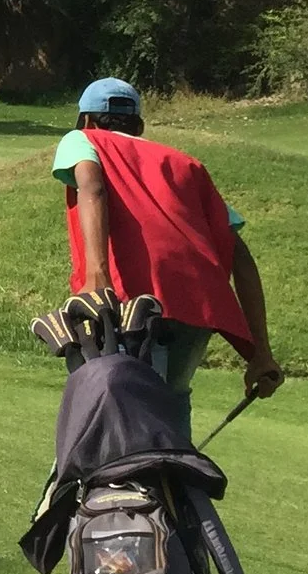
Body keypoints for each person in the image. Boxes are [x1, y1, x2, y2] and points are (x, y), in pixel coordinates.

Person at [52, 76, 284, 410]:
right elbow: (240, 255)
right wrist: (261, 353)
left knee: (106, 410)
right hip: (197, 310)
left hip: (131, 306)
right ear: (140, 126)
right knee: (170, 407)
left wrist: (96, 278)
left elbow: (92, 186)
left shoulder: (81, 139)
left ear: (86, 121)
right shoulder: (185, 165)